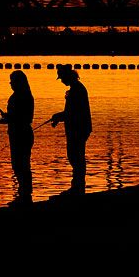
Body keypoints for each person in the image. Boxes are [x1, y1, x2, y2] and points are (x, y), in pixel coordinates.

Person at [0, 70, 34, 205]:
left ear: (18, 82)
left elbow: (24, 118)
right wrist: (2, 120)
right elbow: (19, 118)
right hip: (22, 133)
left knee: (20, 165)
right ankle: (25, 195)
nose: (10, 84)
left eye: (12, 81)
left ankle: (24, 196)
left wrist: (8, 117)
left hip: (20, 135)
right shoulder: (26, 95)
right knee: (21, 165)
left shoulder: (19, 97)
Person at [51, 64, 92, 196]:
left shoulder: (77, 90)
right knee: (75, 156)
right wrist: (59, 117)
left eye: (62, 78)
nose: (61, 81)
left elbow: (73, 112)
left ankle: (78, 188)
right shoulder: (76, 88)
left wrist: (58, 116)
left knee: (76, 157)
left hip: (78, 128)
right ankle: (78, 186)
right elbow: (71, 112)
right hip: (78, 127)